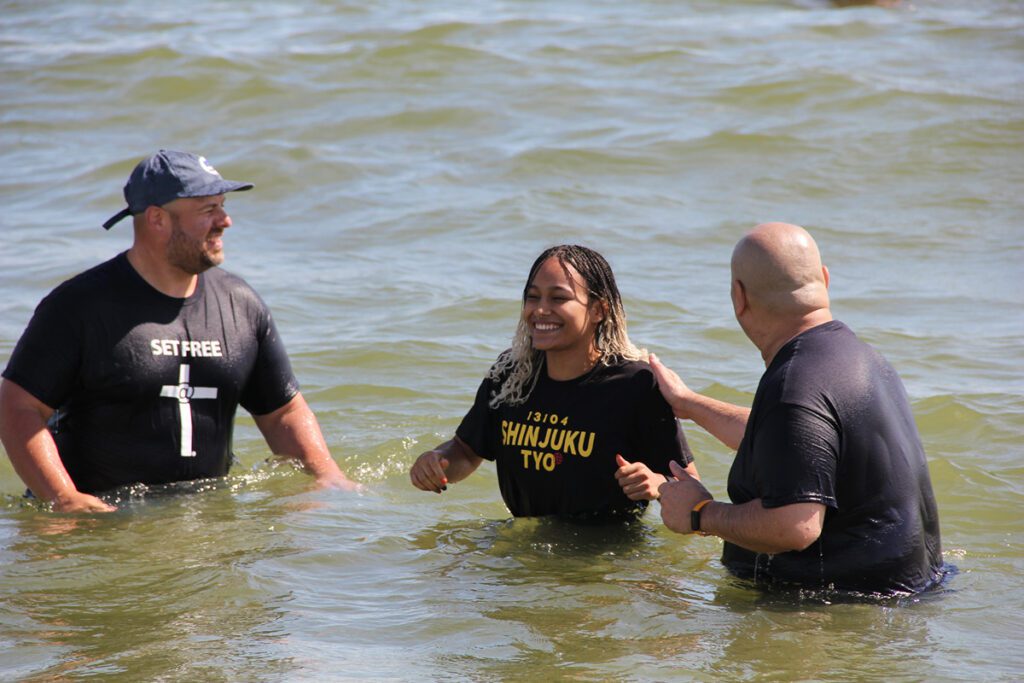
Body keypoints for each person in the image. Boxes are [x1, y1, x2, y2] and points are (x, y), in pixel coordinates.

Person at [0, 149, 356, 512]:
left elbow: (283, 412)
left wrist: (326, 474)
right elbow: (17, 406)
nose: (226, 220)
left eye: (223, 205)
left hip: (206, 522)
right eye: (208, 210)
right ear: (157, 219)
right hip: (102, 523)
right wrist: (62, 497)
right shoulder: (80, 306)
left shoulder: (241, 304)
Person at [652, 222, 943, 595]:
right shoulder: (862, 360)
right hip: (906, 597)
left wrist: (700, 513)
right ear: (824, 278)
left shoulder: (795, 383)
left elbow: (795, 525)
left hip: (839, 612)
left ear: (738, 297)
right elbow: (795, 447)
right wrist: (688, 404)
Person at [410, 244, 698, 521]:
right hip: (527, 544)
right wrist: (437, 460)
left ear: (599, 310)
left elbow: (690, 486)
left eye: (558, 298)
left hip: (607, 557)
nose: (540, 310)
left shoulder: (635, 385)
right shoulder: (511, 375)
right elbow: (466, 451)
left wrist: (657, 484)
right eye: (533, 297)